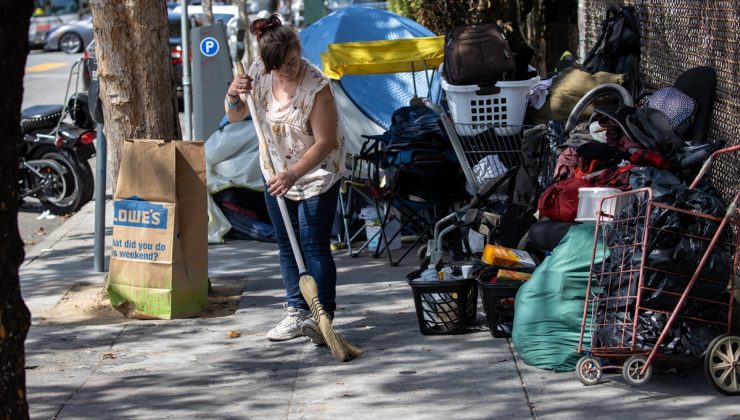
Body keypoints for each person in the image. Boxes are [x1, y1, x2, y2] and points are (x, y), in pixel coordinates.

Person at [224, 14, 345, 343]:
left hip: (315, 173)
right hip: (275, 172)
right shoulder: (258, 73)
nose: (288, 71)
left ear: (298, 49)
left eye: (292, 62)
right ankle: (296, 312)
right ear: (267, 64)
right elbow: (236, 116)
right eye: (281, 67)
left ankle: (323, 317)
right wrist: (234, 94)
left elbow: (326, 142)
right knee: (287, 247)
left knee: (313, 245)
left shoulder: (316, 87)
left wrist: (293, 173)